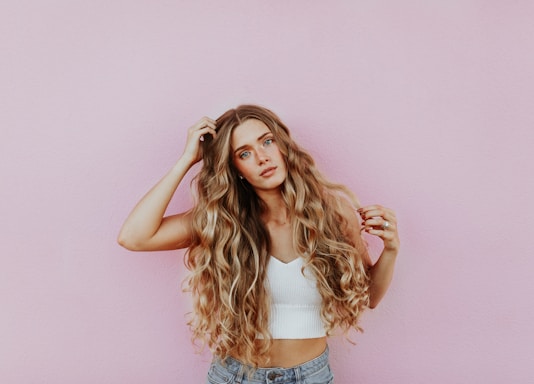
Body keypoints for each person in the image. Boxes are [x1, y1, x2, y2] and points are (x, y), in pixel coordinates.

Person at [118, 105, 399, 384]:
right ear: (235, 168)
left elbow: (369, 297)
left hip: (310, 377)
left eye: (267, 141)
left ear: (283, 146)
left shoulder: (332, 214)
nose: (262, 157)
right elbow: (134, 237)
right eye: (245, 153)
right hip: (236, 376)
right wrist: (187, 159)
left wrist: (390, 250)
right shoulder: (223, 223)